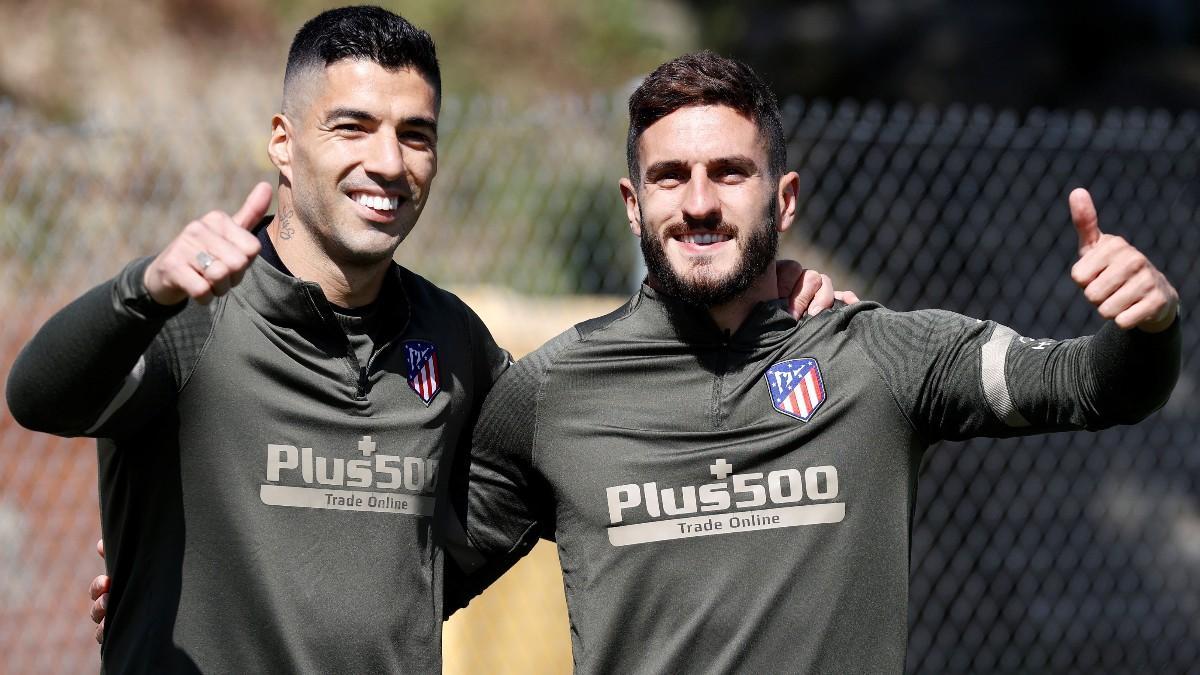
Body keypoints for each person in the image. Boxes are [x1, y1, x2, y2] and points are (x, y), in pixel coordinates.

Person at [8, 7, 844, 670]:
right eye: (353, 126)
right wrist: (141, 287)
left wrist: (763, 314)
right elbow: (38, 396)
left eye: (416, 134)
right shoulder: (193, 309)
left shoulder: (452, 340)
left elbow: (580, 461)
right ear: (282, 142)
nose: (389, 161)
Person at [439, 51, 1182, 673]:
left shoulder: (879, 356)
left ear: (784, 199)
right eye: (671, 176)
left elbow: (1093, 386)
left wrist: (1148, 325)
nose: (699, 202)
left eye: (731, 172)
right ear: (634, 204)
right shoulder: (554, 390)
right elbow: (407, 586)